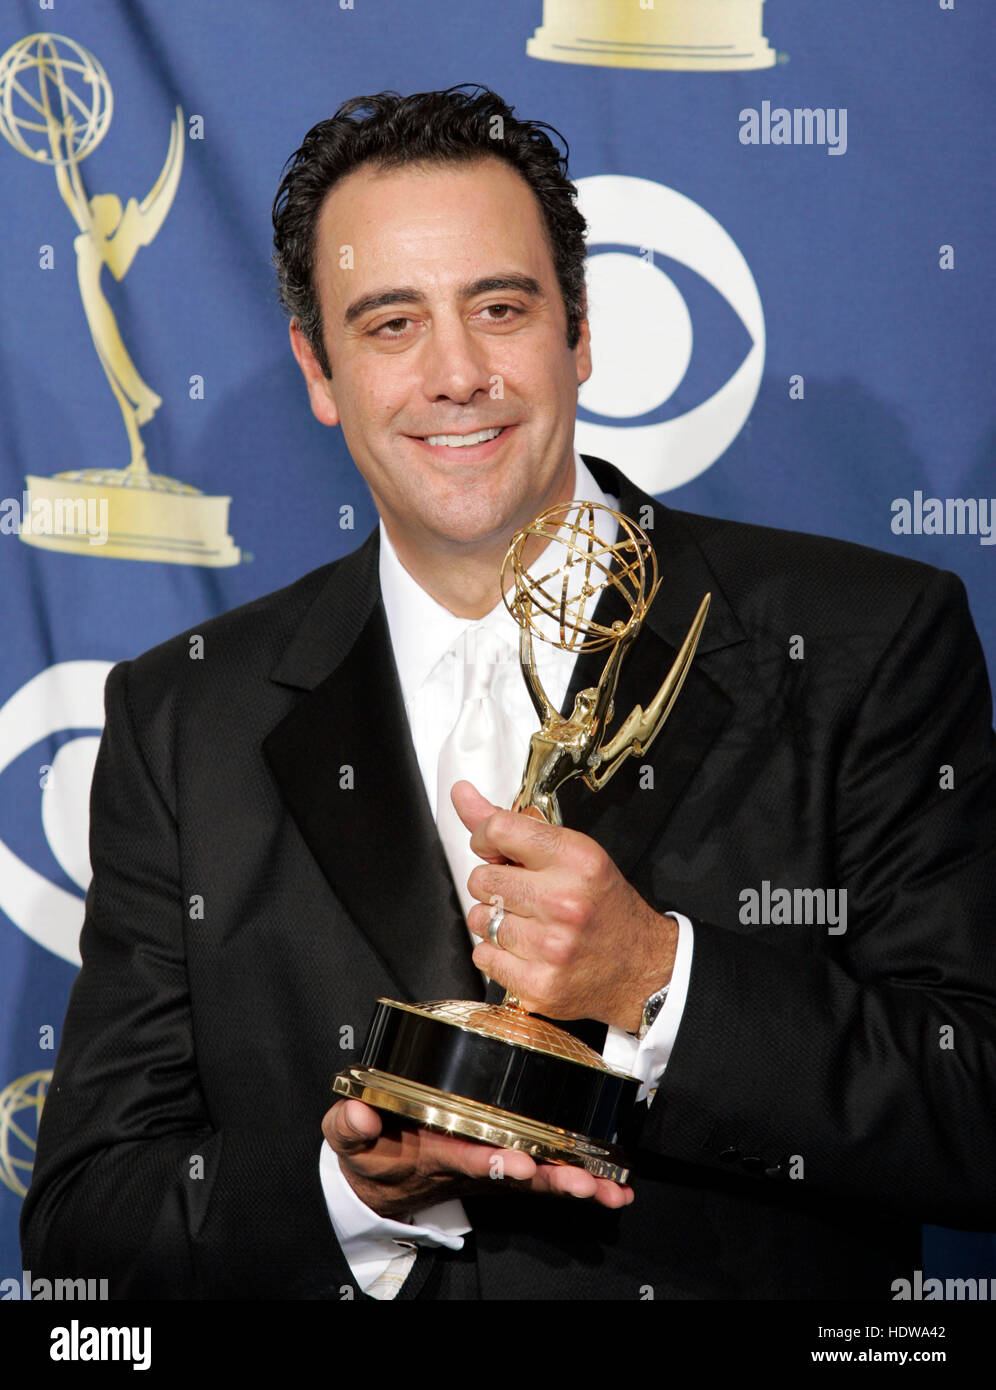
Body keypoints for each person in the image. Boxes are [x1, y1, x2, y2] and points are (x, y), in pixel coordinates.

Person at [21, 86, 996, 1301]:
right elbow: (82, 1224)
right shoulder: (185, 715)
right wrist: (356, 1195)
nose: (458, 374)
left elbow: (978, 1106)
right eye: (390, 325)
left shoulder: (860, 637)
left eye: (500, 307)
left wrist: (659, 977)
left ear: (580, 331)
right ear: (317, 371)